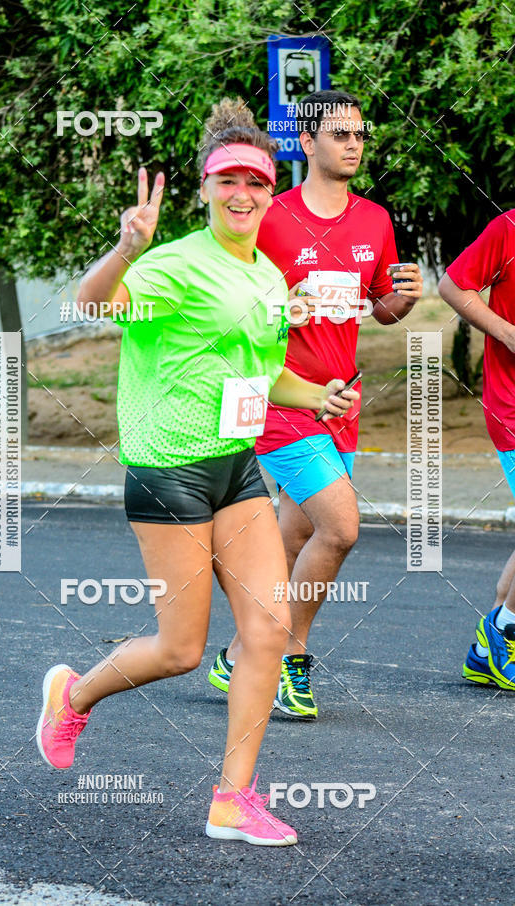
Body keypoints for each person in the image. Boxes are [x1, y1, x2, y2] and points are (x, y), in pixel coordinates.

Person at [35, 98, 358, 845]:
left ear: (270, 189)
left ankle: (231, 799)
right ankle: (72, 697)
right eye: (227, 181)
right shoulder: (174, 264)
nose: (242, 193)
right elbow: (89, 309)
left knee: (269, 628)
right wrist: (124, 249)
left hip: (235, 467)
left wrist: (320, 395)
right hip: (168, 471)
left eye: (254, 180)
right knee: (181, 650)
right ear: (206, 190)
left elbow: (266, 374)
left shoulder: (272, 280)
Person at [209, 89, 423, 718]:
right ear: (306, 143)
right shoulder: (268, 217)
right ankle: (285, 657)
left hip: (340, 401)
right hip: (277, 397)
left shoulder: (375, 220)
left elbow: (376, 309)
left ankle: (238, 654)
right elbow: (227, 308)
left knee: (299, 532)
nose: (353, 143)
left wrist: (402, 303)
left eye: (359, 134)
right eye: (338, 133)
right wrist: (280, 305)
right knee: (341, 527)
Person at [438, 211, 515, 690]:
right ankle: (504, 628)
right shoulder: (509, 228)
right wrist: (506, 332)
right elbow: (452, 285)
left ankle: (488, 646)